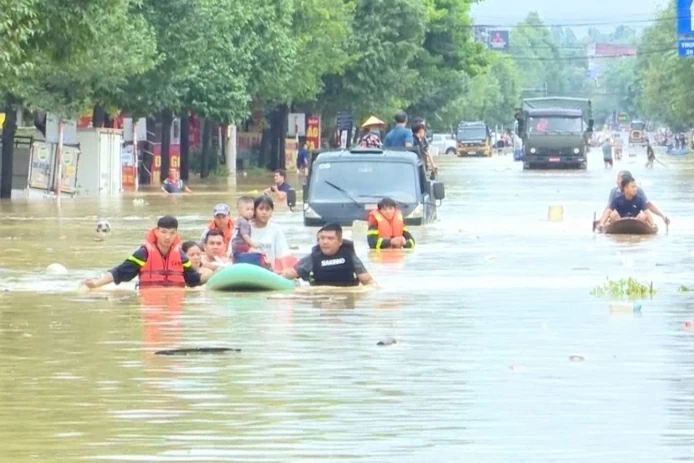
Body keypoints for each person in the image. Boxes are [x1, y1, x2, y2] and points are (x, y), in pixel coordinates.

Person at [80, 215, 210, 289]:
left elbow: (192, 279)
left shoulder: (180, 256)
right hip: (148, 303)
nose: (167, 237)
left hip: (173, 305)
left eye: (171, 233)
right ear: (156, 232)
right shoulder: (144, 253)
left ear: (176, 234)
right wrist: (96, 284)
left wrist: (216, 273)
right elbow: (118, 272)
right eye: (164, 232)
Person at [281, 223, 374, 286]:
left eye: (330, 238)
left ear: (340, 242)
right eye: (322, 238)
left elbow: (368, 282)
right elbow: (290, 274)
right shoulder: (312, 258)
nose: (325, 242)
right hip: (320, 298)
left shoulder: (350, 257)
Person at [232, 195, 297, 272]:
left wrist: (285, 272)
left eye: (267, 209)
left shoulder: (276, 230)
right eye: (261, 209)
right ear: (255, 211)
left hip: (268, 271)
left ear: (272, 212)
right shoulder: (245, 227)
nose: (264, 212)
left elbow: (283, 254)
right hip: (246, 270)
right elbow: (233, 249)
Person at [604, 170, 670, 226]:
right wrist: (601, 221)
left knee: (643, 216)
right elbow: (608, 208)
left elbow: (648, 206)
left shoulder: (637, 191)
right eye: (617, 179)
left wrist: (662, 216)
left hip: (635, 217)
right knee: (612, 215)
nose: (617, 181)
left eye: (619, 179)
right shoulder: (614, 192)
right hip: (619, 218)